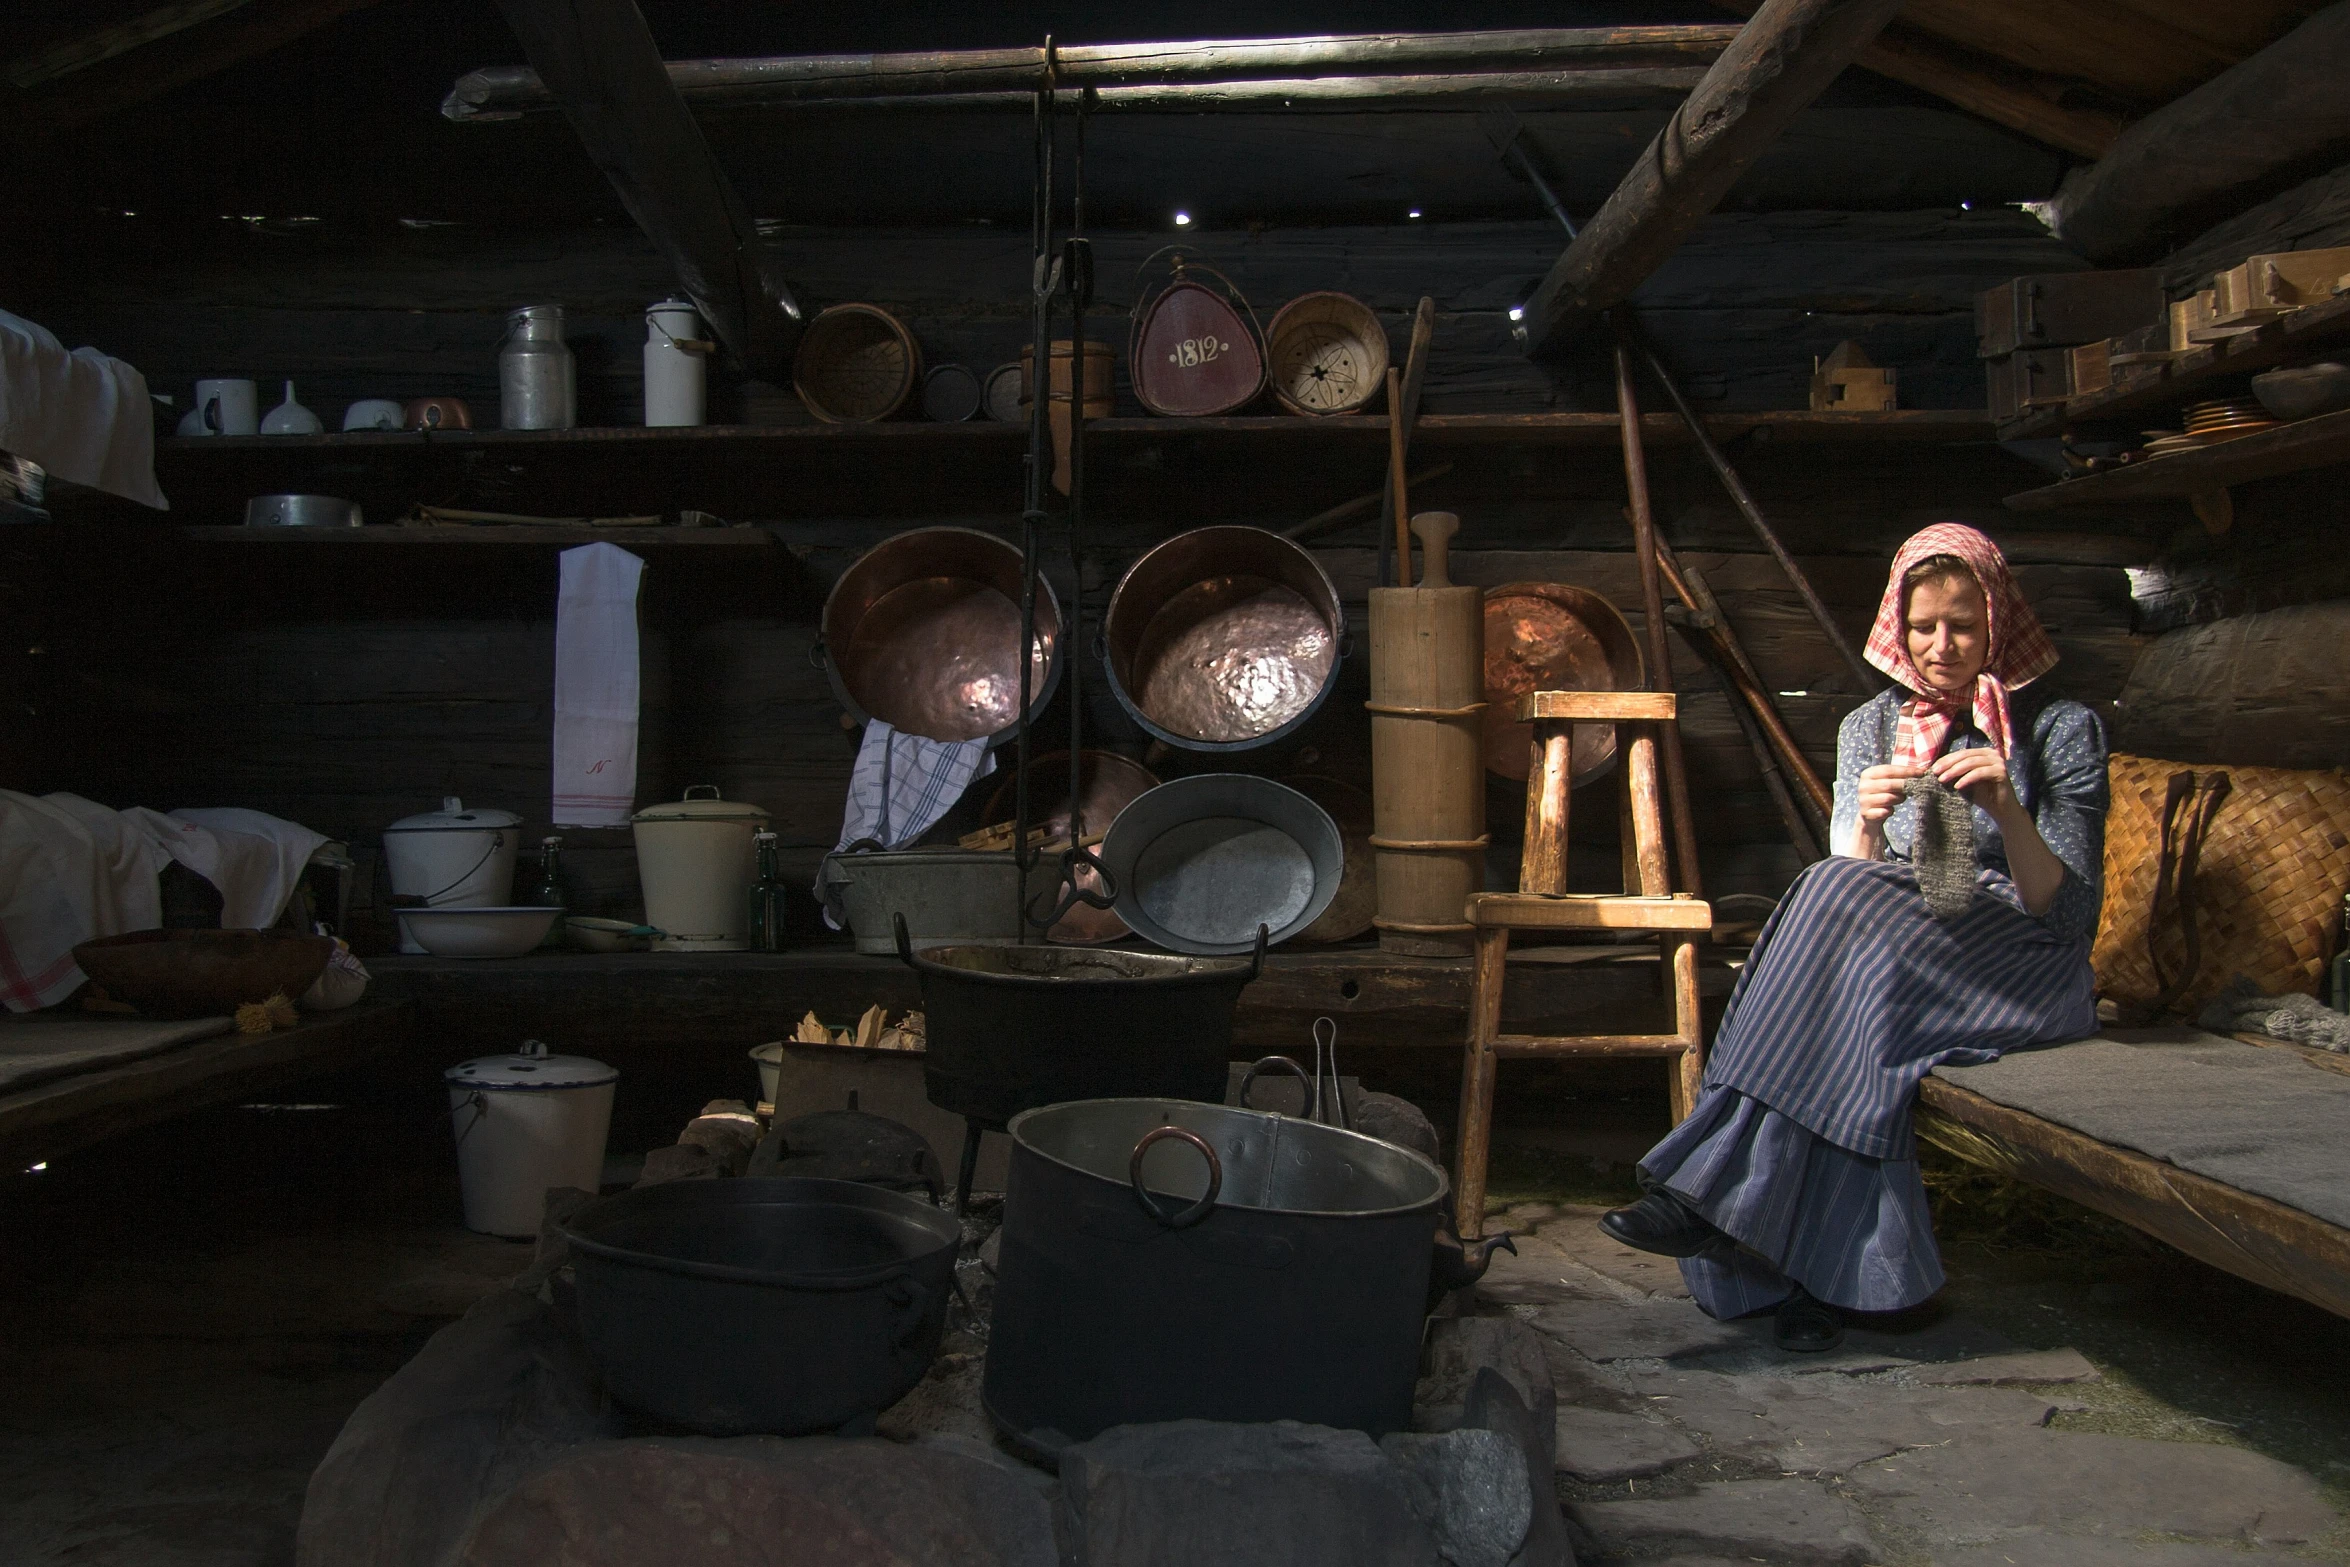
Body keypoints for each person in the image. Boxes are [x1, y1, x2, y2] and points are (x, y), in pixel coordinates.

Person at [1599, 523, 2108, 1351]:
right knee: (1853, 993)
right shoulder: (1873, 726)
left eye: (1964, 626)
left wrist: (2008, 808)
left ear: (1998, 624)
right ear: (1897, 626)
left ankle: (1717, 1204)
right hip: (1901, 942)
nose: (1941, 646)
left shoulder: (2057, 727)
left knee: (1841, 938)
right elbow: (1852, 881)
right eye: (1923, 625)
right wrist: (1867, 825)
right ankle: (1813, 1272)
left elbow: (2067, 917)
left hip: (2020, 960)